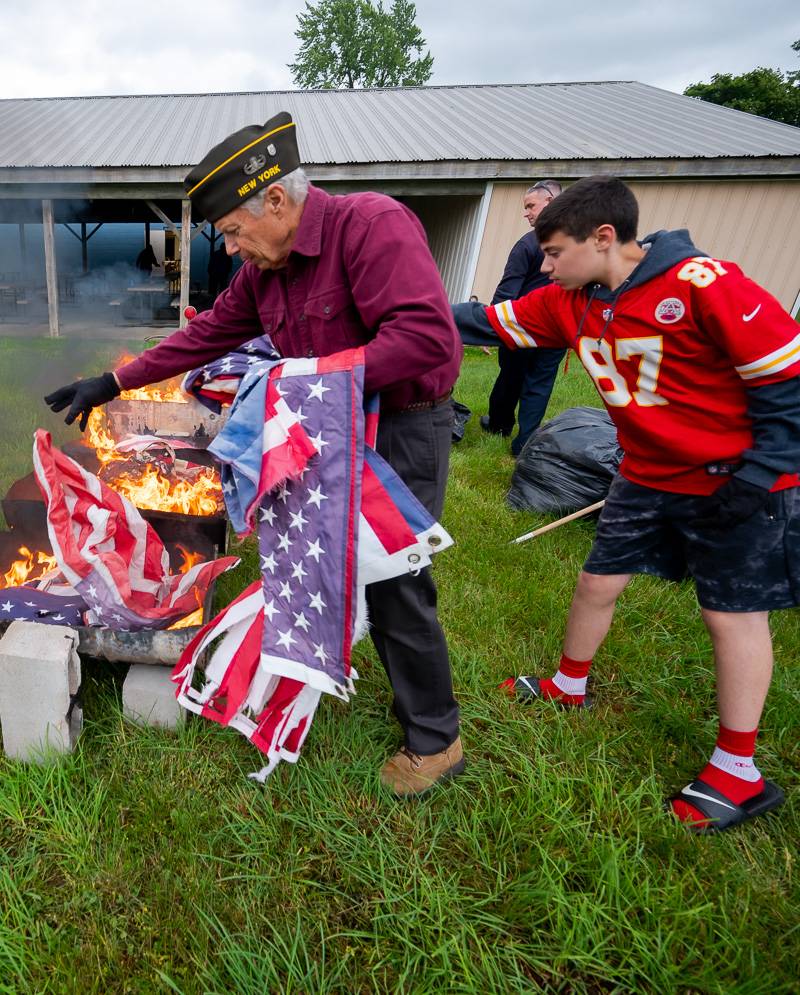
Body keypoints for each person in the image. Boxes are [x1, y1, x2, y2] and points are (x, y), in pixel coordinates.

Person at [44, 111, 464, 797]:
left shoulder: (371, 225)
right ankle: (325, 665)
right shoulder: (266, 271)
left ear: (276, 199)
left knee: (392, 581)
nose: (232, 249)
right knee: (319, 556)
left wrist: (310, 377)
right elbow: (208, 332)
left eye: (234, 232)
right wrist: (115, 379)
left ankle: (435, 738)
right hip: (319, 427)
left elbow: (427, 338)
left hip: (399, 424)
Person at [453, 174, 799, 832]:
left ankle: (739, 772)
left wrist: (760, 476)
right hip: (646, 471)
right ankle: (568, 684)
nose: (545, 266)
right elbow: (486, 321)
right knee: (595, 579)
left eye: (554, 251)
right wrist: (402, 309)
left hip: (733, 477)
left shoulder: (705, 284)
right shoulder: (569, 301)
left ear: (604, 237)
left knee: (731, 616)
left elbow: (786, 380)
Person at [480, 181, 566, 456]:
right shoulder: (580, 241)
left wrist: (489, 328)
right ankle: (524, 444)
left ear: (550, 202)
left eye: (530, 205)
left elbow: (507, 291)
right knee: (539, 385)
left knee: (511, 378)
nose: (526, 213)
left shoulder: (527, 244)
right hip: (557, 330)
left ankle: (500, 426)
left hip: (523, 329)